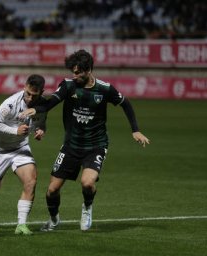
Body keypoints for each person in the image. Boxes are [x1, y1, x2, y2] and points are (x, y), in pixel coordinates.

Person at [19, 50, 150, 232]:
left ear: (88, 70)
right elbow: (52, 101)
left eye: (78, 72)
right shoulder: (68, 85)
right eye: (73, 71)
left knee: (87, 183)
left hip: (96, 145)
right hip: (71, 145)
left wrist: (135, 130)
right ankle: (54, 219)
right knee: (52, 190)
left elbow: (125, 103)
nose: (74, 75)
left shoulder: (105, 89)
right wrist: (38, 109)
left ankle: (87, 208)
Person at [0, 74, 47, 235]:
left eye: (34, 95)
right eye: (28, 93)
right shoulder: (10, 103)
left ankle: (21, 225)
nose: (29, 98)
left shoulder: (41, 105)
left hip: (20, 149)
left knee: (31, 181)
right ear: (24, 87)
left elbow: (40, 122)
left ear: (42, 92)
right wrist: (15, 130)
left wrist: (40, 130)